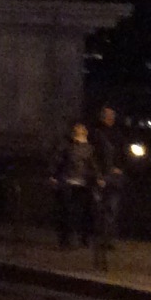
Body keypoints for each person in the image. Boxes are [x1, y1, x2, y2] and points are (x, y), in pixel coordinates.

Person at [51, 121, 97, 249]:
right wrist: (53, 174)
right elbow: (58, 160)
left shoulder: (89, 148)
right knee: (67, 211)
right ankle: (66, 240)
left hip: (82, 182)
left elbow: (92, 164)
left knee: (82, 212)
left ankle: (81, 239)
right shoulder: (67, 146)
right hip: (68, 180)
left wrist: (97, 177)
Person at [88, 104, 126, 253]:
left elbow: (123, 154)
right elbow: (93, 155)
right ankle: (98, 238)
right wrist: (98, 173)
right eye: (108, 115)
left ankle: (108, 239)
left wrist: (119, 167)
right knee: (99, 208)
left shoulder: (117, 134)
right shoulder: (96, 133)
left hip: (114, 176)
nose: (110, 118)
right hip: (102, 175)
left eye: (112, 115)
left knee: (112, 208)